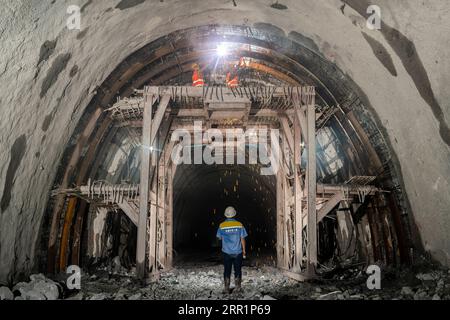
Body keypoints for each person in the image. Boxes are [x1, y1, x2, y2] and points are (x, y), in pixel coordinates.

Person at [216, 206, 248, 294]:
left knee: (227, 270)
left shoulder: (221, 225)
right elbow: (242, 238)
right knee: (238, 270)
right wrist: (244, 251)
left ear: (225, 215)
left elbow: (219, 238)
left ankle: (226, 288)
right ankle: (238, 288)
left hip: (226, 252)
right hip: (238, 252)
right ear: (234, 214)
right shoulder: (239, 224)